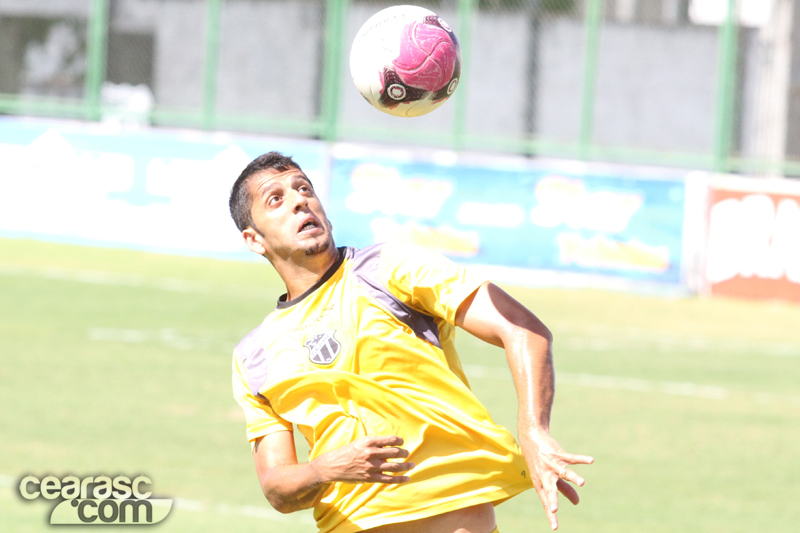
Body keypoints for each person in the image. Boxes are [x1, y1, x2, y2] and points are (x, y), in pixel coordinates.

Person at [230, 152, 593, 533]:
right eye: (276, 198)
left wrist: (533, 430)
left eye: (304, 188)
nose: (299, 200)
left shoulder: (388, 269)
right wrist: (326, 469)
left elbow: (521, 328)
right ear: (254, 239)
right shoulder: (254, 355)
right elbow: (277, 488)